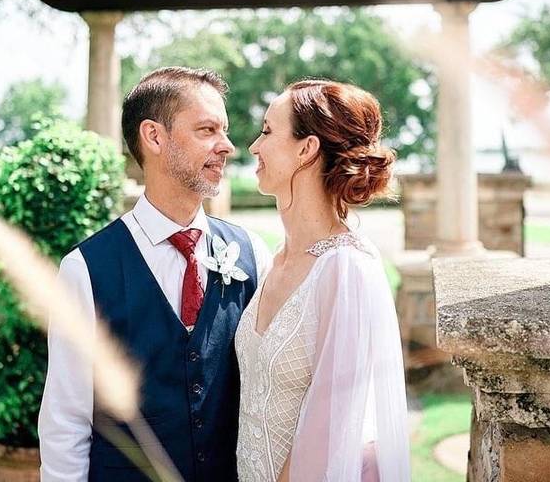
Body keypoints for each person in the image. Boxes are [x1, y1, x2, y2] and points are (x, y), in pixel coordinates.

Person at [38, 66, 272, 481]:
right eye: (207, 130)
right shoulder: (85, 270)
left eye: (225, 130)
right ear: (154, 136)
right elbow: (66, 420)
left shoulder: (252, 255)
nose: (228, 146)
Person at [236, 79, 410, 482]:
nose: (253, 147)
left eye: (266, 131)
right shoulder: (271, 259)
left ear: (307, 148)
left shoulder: (347, 270)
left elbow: (332, 432)